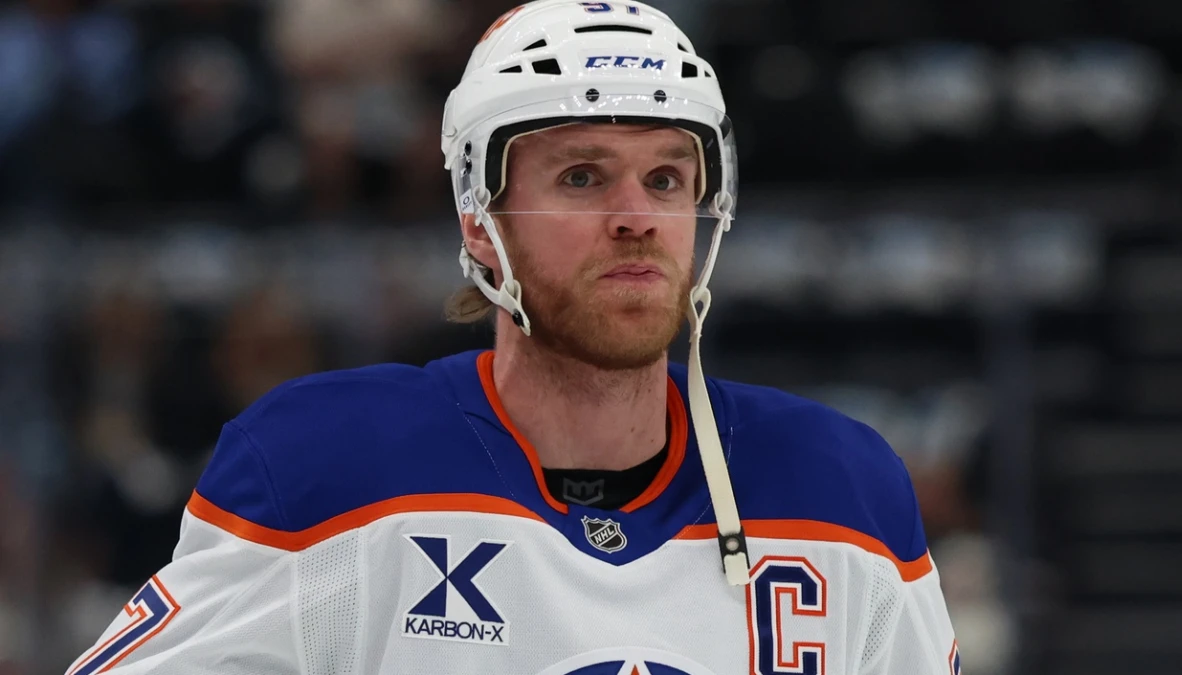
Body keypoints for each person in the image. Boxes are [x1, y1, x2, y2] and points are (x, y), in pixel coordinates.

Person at [66, 1, 960, 674]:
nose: (637, 218)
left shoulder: (842, 491)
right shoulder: (324, 466)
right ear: (480, 218)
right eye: (581, 176)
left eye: (665, 176)